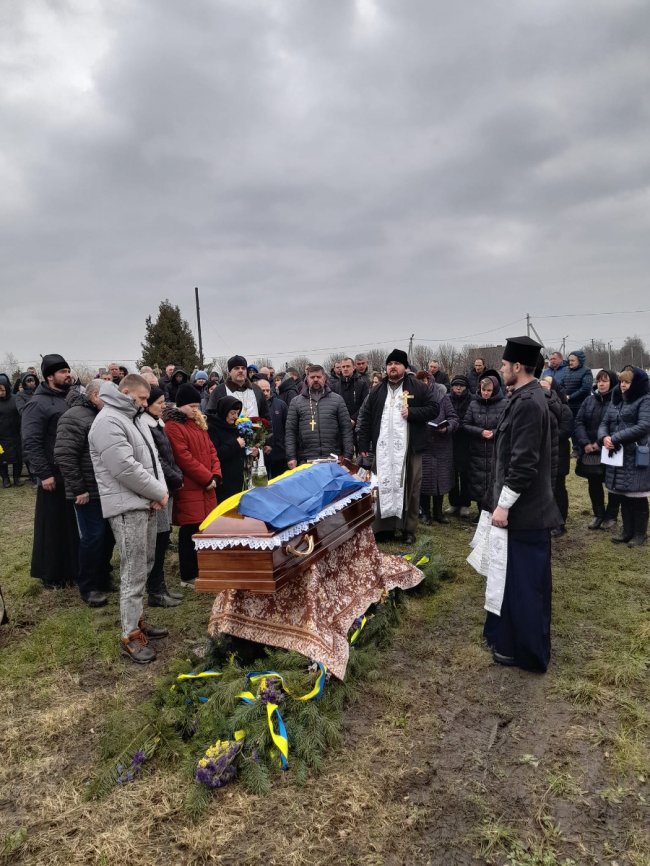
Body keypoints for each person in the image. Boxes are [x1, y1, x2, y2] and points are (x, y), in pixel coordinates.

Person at [484, 336, 559, 672]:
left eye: (503, 364)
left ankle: (526, 651)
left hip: (526, 513)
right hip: (519, 510)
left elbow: (524, 462)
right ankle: (508, 641)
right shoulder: (523, 397)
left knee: (526, 584)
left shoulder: (530, 402)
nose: (500, 369)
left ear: (517, 366)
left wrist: (504, 505)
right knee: (511, 579)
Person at [89, 375, 169, 664]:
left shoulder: (131, 417)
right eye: (142, 398)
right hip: (127, 508)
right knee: (132, 570)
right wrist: (158, 491)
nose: (146, 404)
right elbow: (125, 468)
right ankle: (129, 635)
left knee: (143, 564)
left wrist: (160, 490)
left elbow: (152, 458)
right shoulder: (108, 421)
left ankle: (137, 620)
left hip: (143, 502)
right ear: (125, 392)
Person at [357, 349, 437, 544]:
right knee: (382, 486)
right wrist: (362, 444)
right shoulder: (376, 391)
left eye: (397, 363)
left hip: (410, 448)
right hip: (383, 450)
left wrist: (413, 413)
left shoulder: (418, 387)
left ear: (405, 367)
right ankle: (384, 528)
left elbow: (434, 409)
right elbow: (366, 418)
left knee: (410, 487)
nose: (392, 367)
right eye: (389, 363)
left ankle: (408, 529)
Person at [54, 379, 116, 607]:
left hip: (105, 489)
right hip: (87, 491)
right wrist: (79, 488)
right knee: (92, 537)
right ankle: (89, 586)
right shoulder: (74, 417)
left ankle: (103, 575)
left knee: (108, 536)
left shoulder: (102, 415)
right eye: (106, 396)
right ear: (93, 395)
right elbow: (65, 455)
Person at [21, 354, 79, 588]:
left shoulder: (70, 398)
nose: (68, 374)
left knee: (71, 525)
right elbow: (31, 441)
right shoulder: (37, 403)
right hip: (52, 474)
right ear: (49, 376)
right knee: (52, 526)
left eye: (68, 370)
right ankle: (51, 573)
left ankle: (72, 568)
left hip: (71, 472)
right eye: (63, 371)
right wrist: (43, 473)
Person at [164, 384, 221, 587]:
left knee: (204, 527)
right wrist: (206, 478)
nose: (196, 409)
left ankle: (203, 567)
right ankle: (188, 574)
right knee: (190, 530)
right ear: (181, 406)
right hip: (191, 486)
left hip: (207, 485)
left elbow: (211, 450)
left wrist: (215, 474)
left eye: (197, 405)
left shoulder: (198, 423)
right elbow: (183, 457)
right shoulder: (173, 426)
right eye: (191, 406)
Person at [142, 386, 184, 607]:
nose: (164, 406)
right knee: (157, 542)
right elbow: (156, 460)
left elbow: (168, 456)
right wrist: (176, 476)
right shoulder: (145, 427)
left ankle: (161, 586)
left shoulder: (158, 424)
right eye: (159, 402)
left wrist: (175, 476)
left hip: (167, 486)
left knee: (164, 534)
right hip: (157, 489)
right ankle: (155, 590)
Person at [598, 367, 650, 547]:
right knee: (623, 494)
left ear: (635, 384)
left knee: (637, 495)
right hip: (617, 454)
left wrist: (615, 438)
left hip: (634, 454)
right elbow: (605, 422)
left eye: (627, 382)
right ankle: (627, 531)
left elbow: (644, 425)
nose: (622, 385)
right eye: (621, 382)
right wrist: (604, 437)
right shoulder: (616, 399)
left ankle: (640, 533)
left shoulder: (645, 400)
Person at [574, 369, 621, 530]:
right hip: (590, 451)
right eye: (599, 380)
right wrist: (585, 443)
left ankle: (611, 516)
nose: (601, 383)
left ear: (613, 382)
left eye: (605, 380)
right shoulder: (589, 401)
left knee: (613, 484)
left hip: (610, 450)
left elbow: (619, 425)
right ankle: (598, 514)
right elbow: (579, 422)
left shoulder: (618, 401)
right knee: (593, 483)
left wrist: (600, 443)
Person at [285, 365, 353, 467]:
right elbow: (290, 431)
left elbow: (346, 429)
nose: (316, 379)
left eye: (319, 377)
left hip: (332, 458)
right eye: (312, 377)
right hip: (306, 459)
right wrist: (291, 457)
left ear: (324, 378)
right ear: (307, 379)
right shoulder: (296, 402)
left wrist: (348, 455)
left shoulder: (337, 399)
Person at [463, 375, 506, 520]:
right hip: (477, 449)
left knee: (494, 480)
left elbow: (507, 425)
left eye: (489, 390)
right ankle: (481, 512)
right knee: (478, 481)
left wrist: (494, 432)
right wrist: (480, 432)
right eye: (483, 390)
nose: (486, 393)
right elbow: (466, 424)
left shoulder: (504, 403)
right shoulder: (474, 404)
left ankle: (495, 512)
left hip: (495, 448)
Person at [420, 382, 459, 524]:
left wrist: (447, 427)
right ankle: (425, 513)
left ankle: (438, 512)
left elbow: (454, 418)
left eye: (426, 381)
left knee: (440, 479)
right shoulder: (417, 398)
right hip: (424, 445)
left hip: (442, 445)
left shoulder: (443, 398)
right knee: (424, 479)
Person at [539, 378, 574, 538]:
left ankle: (560, 522)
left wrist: (545, 437)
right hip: (543, 455)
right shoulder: (539, 407)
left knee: (559, 488)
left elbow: (565, 431)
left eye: (545, 387)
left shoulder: (564, 409)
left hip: (559, 455)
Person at [208, 355, 270, 421]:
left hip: (256, 430)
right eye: (236, 368)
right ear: (229, 372)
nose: (240, 371)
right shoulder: (220, 390)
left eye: (243, 368)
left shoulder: (256, 389)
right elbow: (211, 416)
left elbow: (266, 415)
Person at [208, 395, 247, 499]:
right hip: (223, 480)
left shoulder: (234, 426)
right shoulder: (212, 428)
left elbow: (239, 449)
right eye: (232, 413)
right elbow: (215, 454)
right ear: (224, 411)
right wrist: (236, 444)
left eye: (237, 413)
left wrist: (249, 451)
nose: (236, 416)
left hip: (236, 478)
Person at [446, 375, 473, 517]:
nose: (458, 388)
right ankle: (453, 502)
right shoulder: (447, 398)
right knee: (452, 474)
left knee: (465, 474)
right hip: (450, 440)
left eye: (461, 386)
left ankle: (465, 504)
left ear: (466, 387)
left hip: (466, 440)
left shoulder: (472, 400)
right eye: (456, 385)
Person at [257, 378, 289, 478]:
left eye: (267, 390)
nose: (265, 393)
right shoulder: (253, 406)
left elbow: (288, 428)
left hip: (279, 454)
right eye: (263, 391)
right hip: (260, 456)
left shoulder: (281, 405)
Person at [0, 373, 23, 488]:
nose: (1, 393)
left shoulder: (15, 399)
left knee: (18, 458)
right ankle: (5, 479)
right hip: (1, 437)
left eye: (3, 390)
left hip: (16, 434)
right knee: (1, 458)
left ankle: (16, 478)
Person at [336, 357, 370, 433]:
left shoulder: (362, 384)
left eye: (348, 366)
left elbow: (365, 404)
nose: (345, 369)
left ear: (354, 367)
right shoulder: (336, 386)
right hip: (341, 425)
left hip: (359, 425)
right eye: (343, 367)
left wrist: (354, 419)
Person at [563, 350, 593, 418]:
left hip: (581, 405)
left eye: (573, 360)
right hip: (568, 406)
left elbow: (586, 388)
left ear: (580, 360)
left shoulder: (586, 371)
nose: (570, 363)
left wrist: (570, 397)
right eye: (569, 360)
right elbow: (562, 384)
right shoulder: (566, 370)